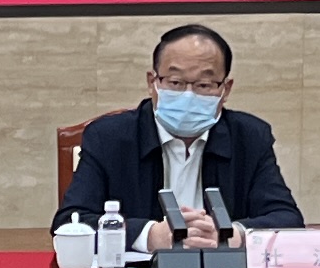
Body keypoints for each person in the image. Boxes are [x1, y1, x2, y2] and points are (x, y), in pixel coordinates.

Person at [58, 22, 303, 251]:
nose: (188, 95)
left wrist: (231, 234)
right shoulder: (108, 138)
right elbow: (70, 222)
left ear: (225, 89)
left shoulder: (249, 137)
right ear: (152, 82)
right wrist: (149, 236)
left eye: (204, 85)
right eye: (175, 82)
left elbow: (287, 220)